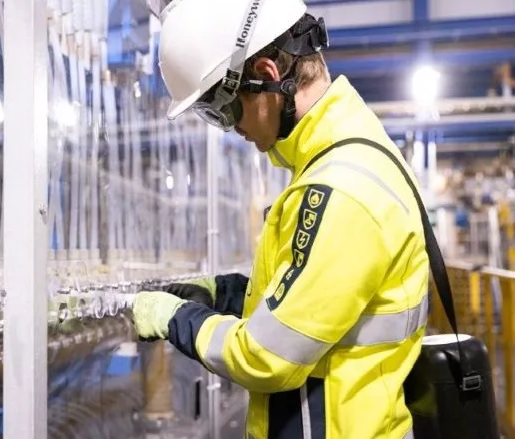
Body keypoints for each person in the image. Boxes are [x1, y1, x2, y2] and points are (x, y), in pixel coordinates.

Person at [132, 0, 429, 437]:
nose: (232, 129)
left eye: (224, 110)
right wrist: (230, 294)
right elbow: (321, 309)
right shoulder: (341, 158)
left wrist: (177, 319)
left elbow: (267, 356)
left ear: (269, 75)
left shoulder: (341, 189)